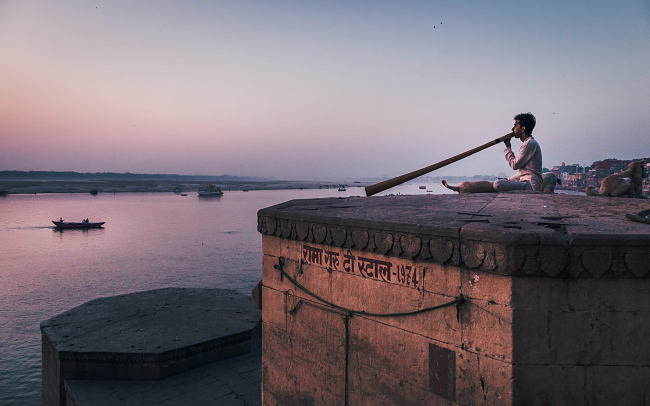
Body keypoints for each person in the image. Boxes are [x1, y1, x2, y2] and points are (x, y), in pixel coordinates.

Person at [493, 112, 543, 192]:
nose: (512, 129)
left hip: (530, 185)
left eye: (515, 125)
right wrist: (508, 180)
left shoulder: (529, 143)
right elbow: (522, 172)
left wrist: (508, 147)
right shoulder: (529, 143)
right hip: (527, 182)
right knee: (500, 182)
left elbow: (514, 165)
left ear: (523, 128)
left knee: (497, 184)